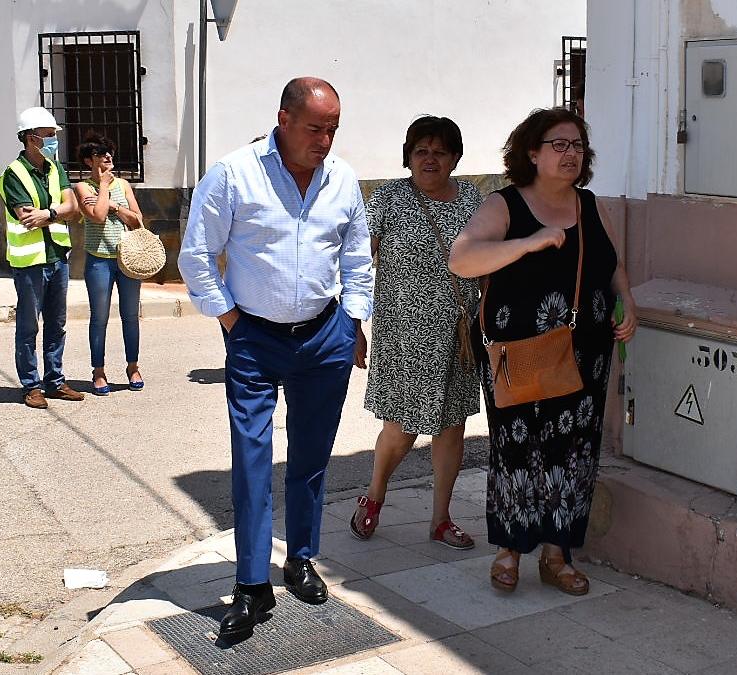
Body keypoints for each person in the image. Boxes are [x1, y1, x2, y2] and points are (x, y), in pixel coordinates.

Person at [179, 77, 373, 640]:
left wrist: (352, 321)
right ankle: (250, 583)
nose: (326, 140)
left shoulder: (343, 180)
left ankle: (302, 558)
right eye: (315, 128)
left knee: (311, 459)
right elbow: (196, 254)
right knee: (252, 461)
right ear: (283, 119)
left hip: (324, 338)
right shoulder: (235, 174)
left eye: (334, 128)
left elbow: (357, 257)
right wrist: (231, 321)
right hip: (255, 341)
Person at [448, 108, 637, 595]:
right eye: (560, 144)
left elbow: (612, 265)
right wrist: (529, 243)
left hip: (586, 352)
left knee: (574, 451)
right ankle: (509, 550)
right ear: (532, 152)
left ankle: (557, 555)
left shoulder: (591, 205)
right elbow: (463, 258)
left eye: (577, 145)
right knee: (517, 448)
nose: (571, 153)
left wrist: (627, 302)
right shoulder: (504, 204)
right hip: (519, 352)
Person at [351, 116, 483, 550]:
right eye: (421, 151)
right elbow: (355, 262)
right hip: (403, 335)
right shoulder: (388, 198)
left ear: (455, 158)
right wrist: (353, 324)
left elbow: (488, 262)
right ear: (408, 156)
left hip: (459, 333)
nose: (430, 159)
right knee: (402, 428)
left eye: (440, 152)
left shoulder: (472, 200)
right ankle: (374, 495)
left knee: (452, 427)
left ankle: (441, 519)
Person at [0, 106, 83, 409]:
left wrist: (48, 213)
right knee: (28, 325)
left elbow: (73, 206)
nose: (53, 141)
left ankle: (55, 381)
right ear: (30, 138)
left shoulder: (55, 168)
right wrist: (59, 213)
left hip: (57, 255)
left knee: (57, 323)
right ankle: (31, 385)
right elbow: (25, 217)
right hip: (30, 261)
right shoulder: (13, 175)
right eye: (49, 136)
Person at [72, 135, 146, 395]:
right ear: (88, 160)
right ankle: (98, 371)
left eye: (110, 153)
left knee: (130, 316)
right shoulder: (82, 188)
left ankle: (133, 366)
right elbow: (97, 216)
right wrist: (103, 186)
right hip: (99, 261)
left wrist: (115, 205)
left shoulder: (124, 185)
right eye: (101, 153)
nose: (108, 157)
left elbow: (137, 220)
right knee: (99, 317)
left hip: (128, 259)